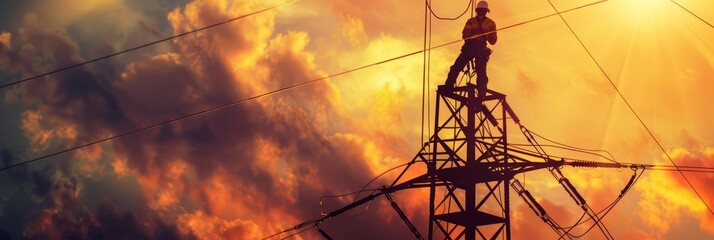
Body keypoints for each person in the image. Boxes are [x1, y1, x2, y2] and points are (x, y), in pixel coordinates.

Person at [444, 0, 497, 98]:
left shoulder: (471, 21)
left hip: (469, 47)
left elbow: (465, 35)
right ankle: (481, 94)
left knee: (456, 67)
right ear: (486, 11)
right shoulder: (491, 23)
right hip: (480, 48)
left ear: (477, 10)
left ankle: (448, 86)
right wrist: (486, 34)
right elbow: (493, 41)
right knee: (481, 73)